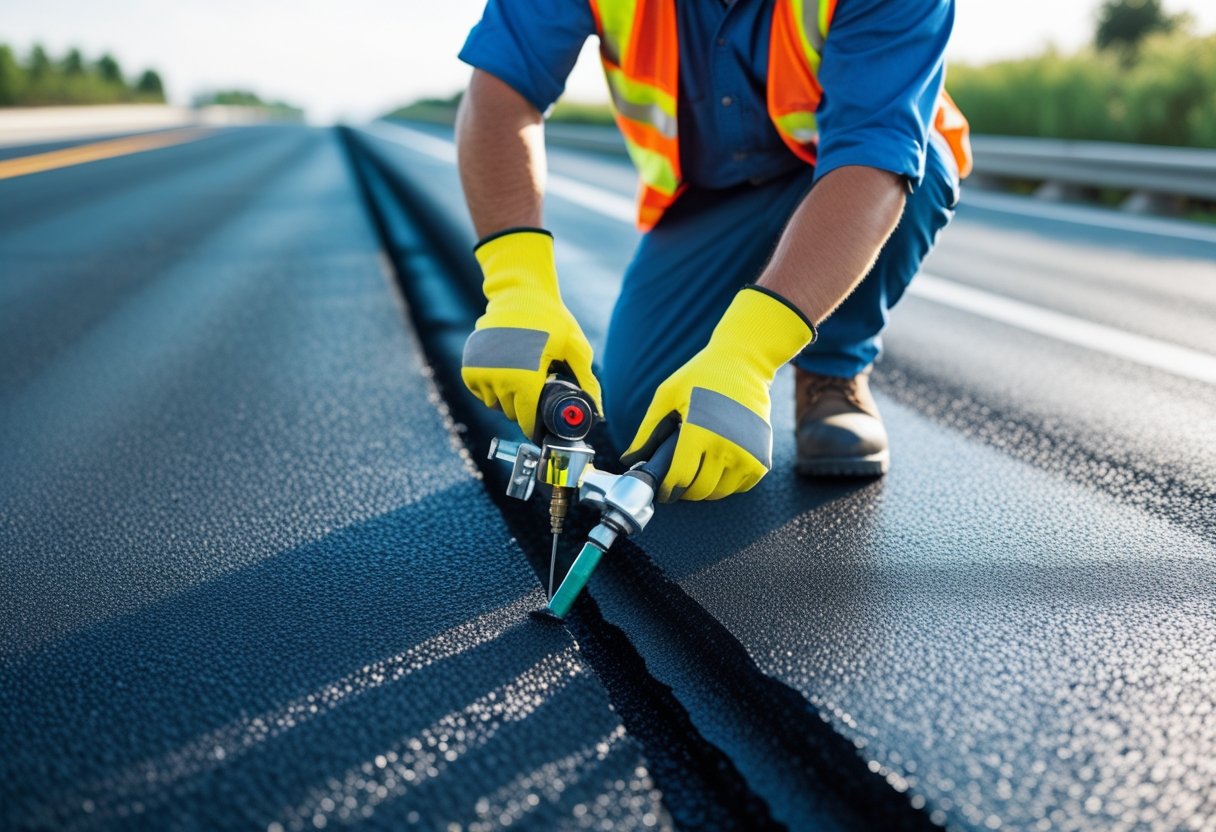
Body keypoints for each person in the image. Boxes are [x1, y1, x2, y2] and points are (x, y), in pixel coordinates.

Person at [456, 0, 971, 502]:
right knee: (646, 424)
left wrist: (746, 355)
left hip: (836, 178)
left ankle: (833, 374)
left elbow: (874, 157)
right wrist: (518, 285)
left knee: (916, 160)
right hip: (708, 201)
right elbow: (503, 88)